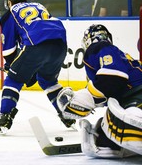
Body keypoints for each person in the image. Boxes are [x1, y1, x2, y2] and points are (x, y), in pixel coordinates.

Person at [0, 0, 71, 135]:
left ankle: (5, 116)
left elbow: (9, 50)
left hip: (36, 44)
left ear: (8, 1)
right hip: (60, 45)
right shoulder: (39, 6)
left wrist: (12, 67)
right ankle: (66, 112)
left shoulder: (10, 13)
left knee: (13, 80)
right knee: (48, 81)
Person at [57, 24, 142, 158]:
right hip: (131, 97)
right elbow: (110, 88)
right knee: (104, 139)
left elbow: (113, 79)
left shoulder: (98, 47)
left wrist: (87, 97)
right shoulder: (115, 53)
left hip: (137, 94)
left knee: (127, 120)